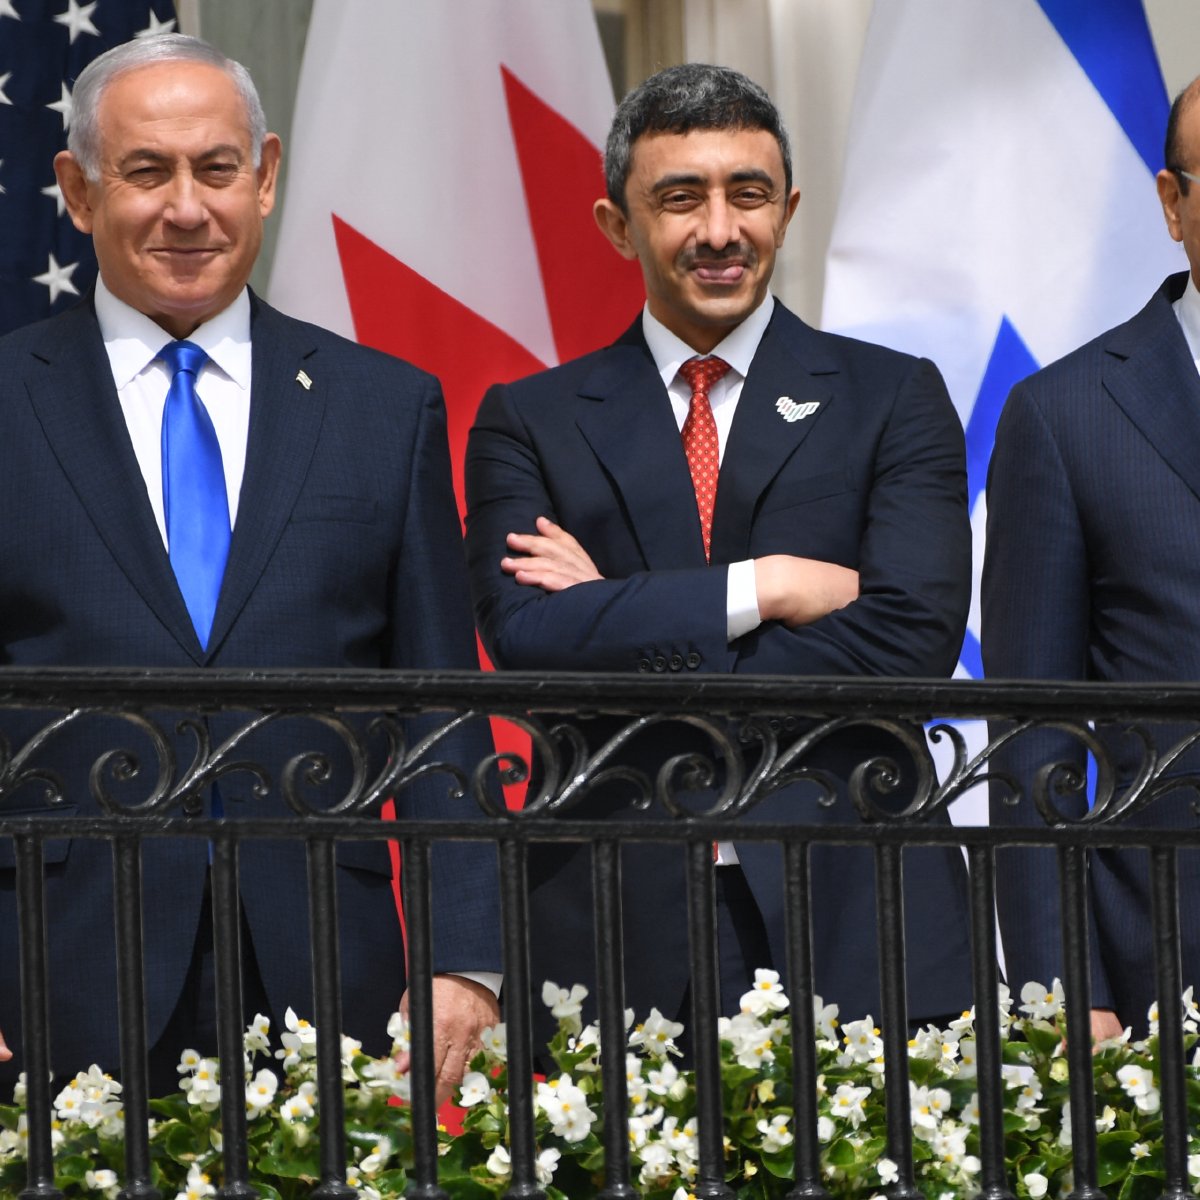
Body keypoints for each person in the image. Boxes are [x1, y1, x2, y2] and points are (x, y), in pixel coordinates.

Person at [0, 34, 499, 1099]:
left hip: (328, 956)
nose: (188, 208)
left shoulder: (383, 406)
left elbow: (440, 706)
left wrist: (465, 953)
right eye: (146, 172)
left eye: (218, 169)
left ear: (266, 176)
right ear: (79, 193)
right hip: (54, 964)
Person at [465, 63, 974, 1039]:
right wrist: (766, 586)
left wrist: (617, 612)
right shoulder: (529, 421)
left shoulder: (892, 398)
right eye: (679, 198)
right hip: (610, 922)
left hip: (860, 910)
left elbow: (910, 642)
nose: (719, 230)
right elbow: (526, 638)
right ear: (619, 224)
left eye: (747, 194)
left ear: (785, 209)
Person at [983, 79, 1200, 1038]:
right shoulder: (1065, 415)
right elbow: (1032, 727)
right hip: (1165, 946)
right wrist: (1062, 987)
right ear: (1172, 202)